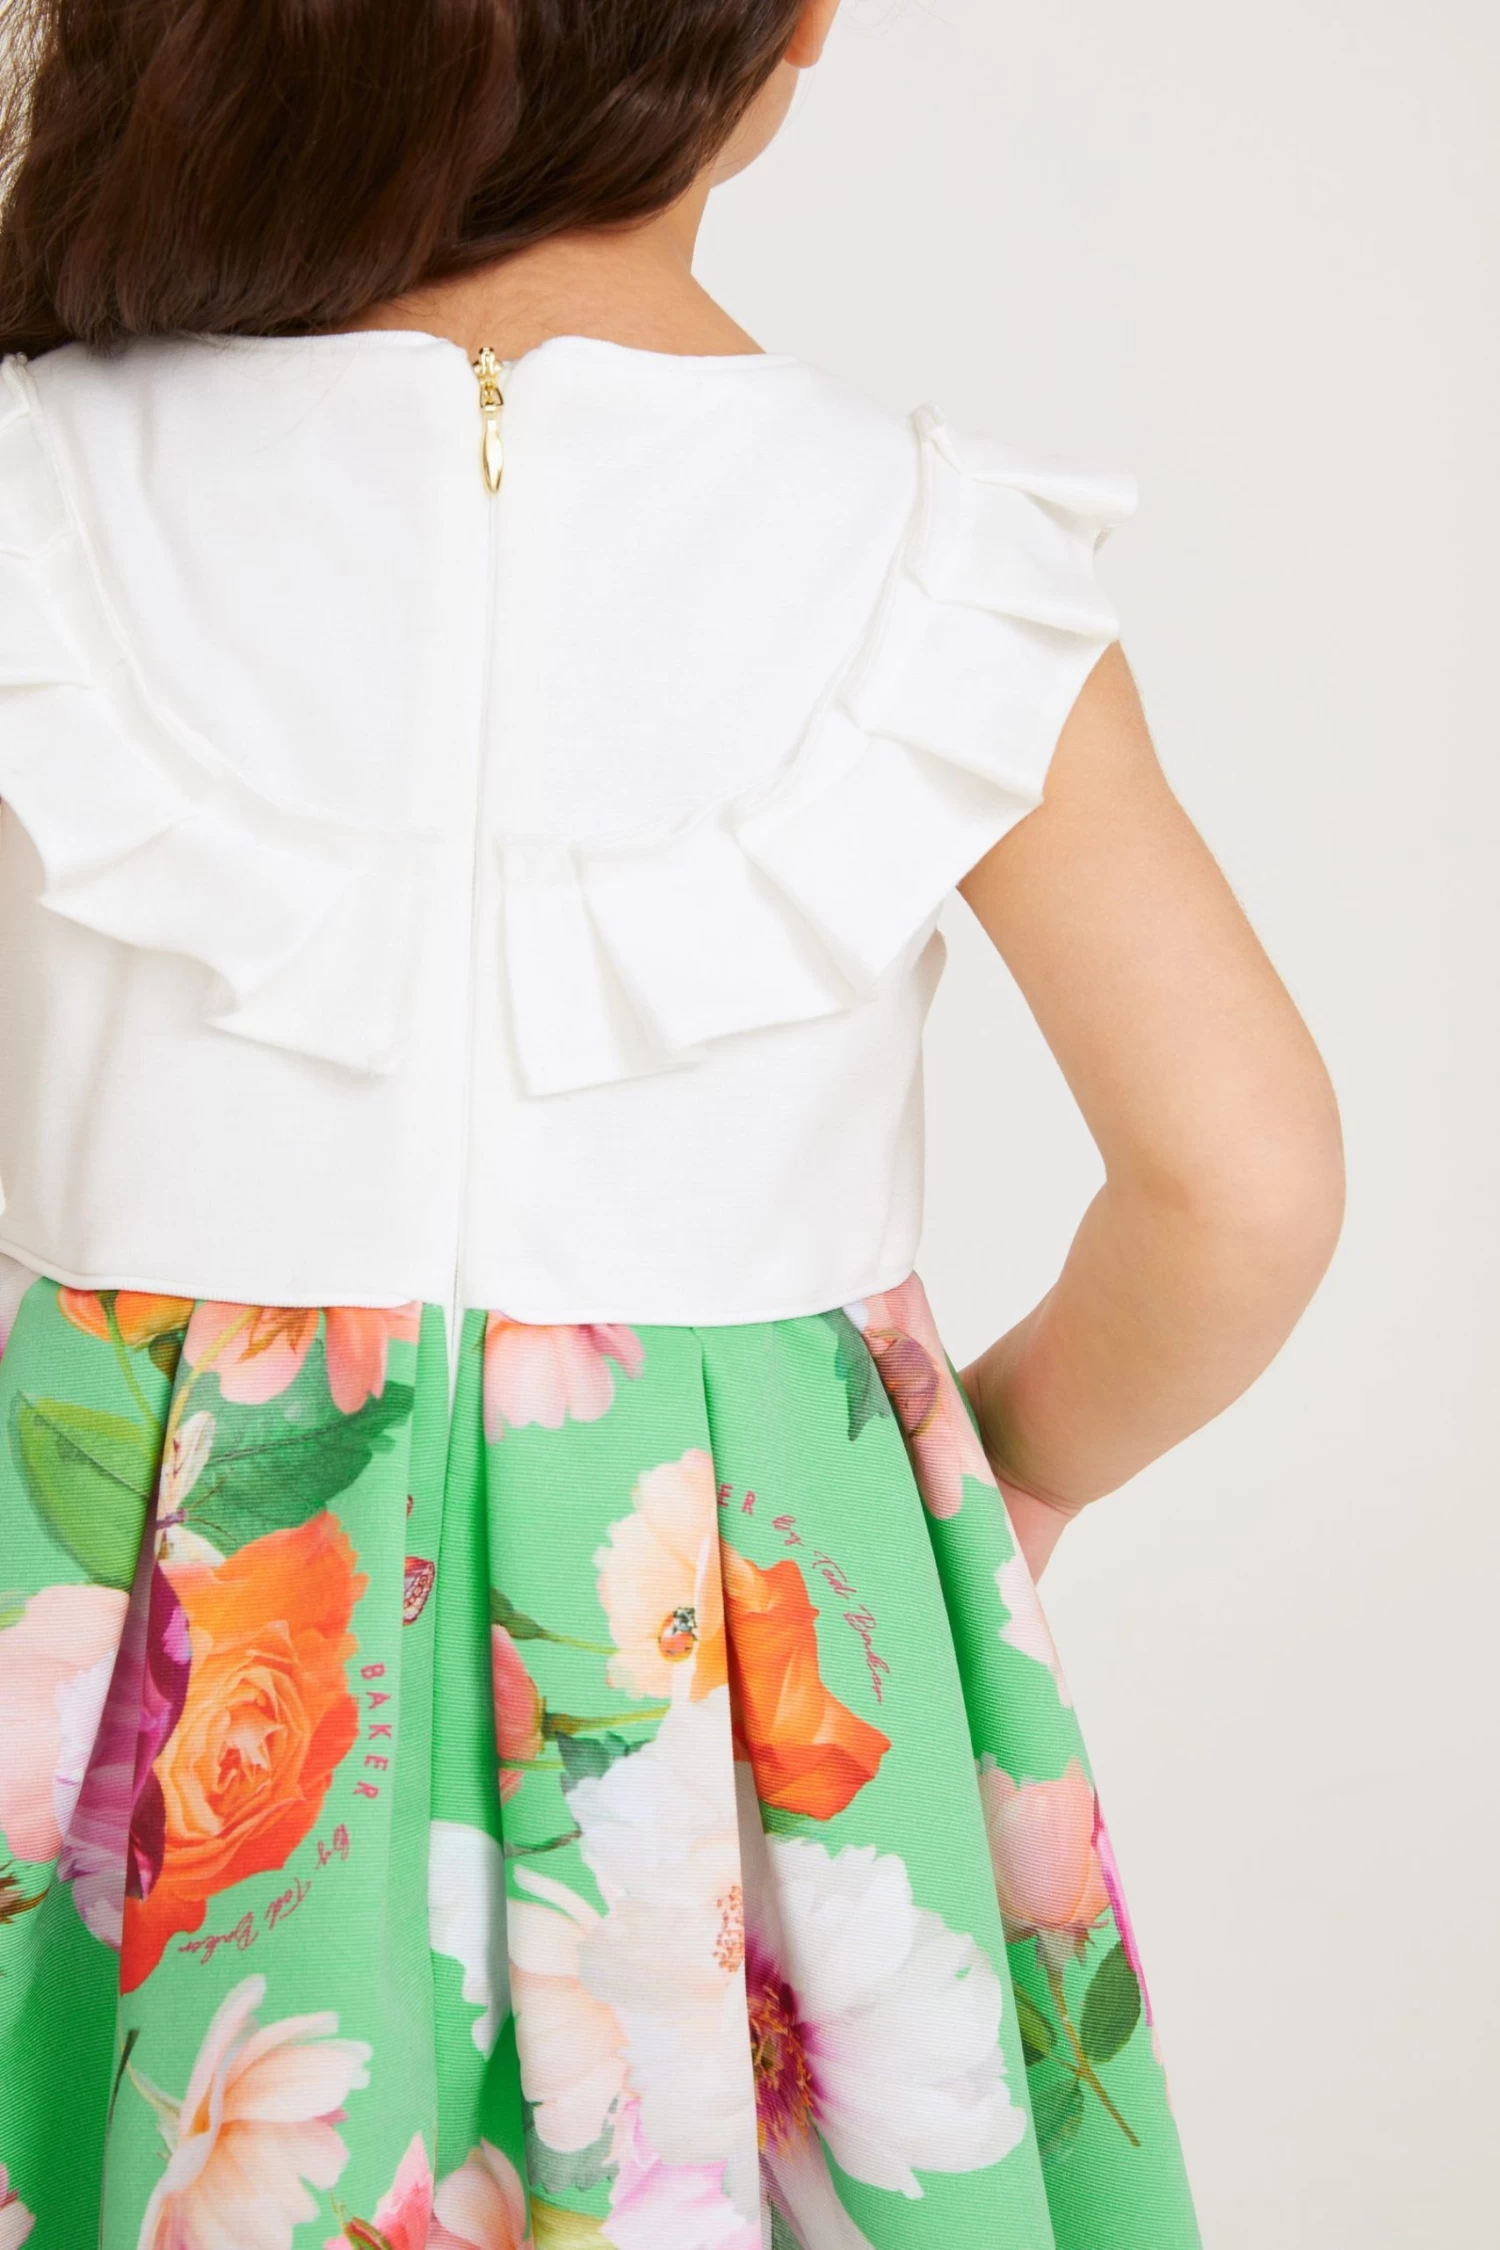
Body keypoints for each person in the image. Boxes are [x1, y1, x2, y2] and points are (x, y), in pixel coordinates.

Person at [0, 3, 1343, 2245]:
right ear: (797, 19)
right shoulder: (935, 558)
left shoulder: (35, 487)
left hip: (118, 1637)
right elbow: (1245, 1182)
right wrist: (1009, 1475)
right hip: (717, 1666)